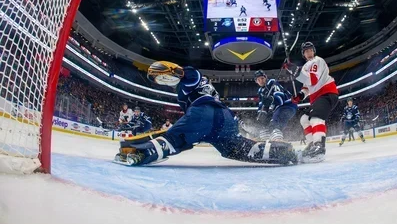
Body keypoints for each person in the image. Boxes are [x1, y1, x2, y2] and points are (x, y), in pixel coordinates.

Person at [114, 61, 302, 166]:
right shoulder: (198, 84)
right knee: (236, 149)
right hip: (224, 120)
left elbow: (186, 73)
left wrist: (174, 70)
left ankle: (139, 151)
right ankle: (283, 153)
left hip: (204, 113)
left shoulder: (187, 81)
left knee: (174, 138)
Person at [284, 42, 339, 162]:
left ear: (314, 51)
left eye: (310, 50)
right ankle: (312, 144)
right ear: (303, 54)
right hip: (317, 97)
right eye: (306, 51)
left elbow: (313, 80)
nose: (308, 53)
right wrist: (299, 96)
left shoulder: (317, 61)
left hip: (327, 94)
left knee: (315, 119)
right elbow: (307, 87)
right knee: (304, 119)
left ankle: (319, 146)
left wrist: (296, 72)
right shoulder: (305, 67)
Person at [254, 70, 297, 141]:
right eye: (258, 80)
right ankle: (266, 138)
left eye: (262, 78)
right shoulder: (260, 91)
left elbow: (281, 98)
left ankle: (277, 139)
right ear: (256, 81)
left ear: (265, 77)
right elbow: (262, 105)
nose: (261, 81)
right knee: (266, 124)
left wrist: (272, 99)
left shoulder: (271, 82)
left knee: (275, 123)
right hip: (278, 109)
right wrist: (261, 114)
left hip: (288, 105)